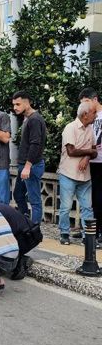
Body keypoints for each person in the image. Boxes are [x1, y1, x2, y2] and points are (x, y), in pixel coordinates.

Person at [57, 101, 98, 245]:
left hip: (85, 175)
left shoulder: (90, 129)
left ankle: (88, 236)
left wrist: (87, 157)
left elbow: (94, 151)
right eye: (93, 112)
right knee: (66, 207)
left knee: (87, 207)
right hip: (68, 173)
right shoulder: (70, 128)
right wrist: (89, 152)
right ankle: (64, 233)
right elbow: (71, 151)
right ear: (85, 115)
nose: (96, 114)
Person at [12, 90, 47, 225]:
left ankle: (34, 229)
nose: (15, 107)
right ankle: (25, 222)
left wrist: (28, 166)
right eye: (14, 104)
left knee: (34, 199)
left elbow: (35, 144)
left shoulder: (35, 119)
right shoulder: (28, 118)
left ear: (27, 102)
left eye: (18, 104)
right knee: (18, 195)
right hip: (25, 165)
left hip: (32, 165)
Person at [79, 88, 102, 245]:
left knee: (100, 197)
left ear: (94, 99)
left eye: (86, 102)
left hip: (100, 161)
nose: (84, 107)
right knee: (92, 198)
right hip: (91, 162)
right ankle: (93, 230)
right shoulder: (87, 117)